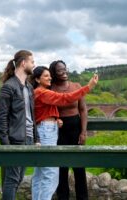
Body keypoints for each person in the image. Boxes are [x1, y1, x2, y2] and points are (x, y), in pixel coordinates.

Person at [30, 66, 98, 200]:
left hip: (46, 128)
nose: (49, 77)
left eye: (50, 75)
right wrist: (89, 86)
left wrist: (55, 119)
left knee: (39, 173)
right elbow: (66, 98)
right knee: (51, 174)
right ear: (37, 79)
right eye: (46, 76)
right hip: (46, 132)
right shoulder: (42, 92)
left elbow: (41, 112)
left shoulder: (39, 92)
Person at [0, 50, 39, 200]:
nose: (34, 65)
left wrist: (36, 138)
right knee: (12, 180)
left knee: (18, 179)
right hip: (15, 141)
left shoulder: (29, 87)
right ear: (23, 63)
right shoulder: (9, 87)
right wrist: (7, 145)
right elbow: (1, 119)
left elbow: (31, 115)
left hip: (28, 140)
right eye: (32, 62)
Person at [50, 60, 89, 200]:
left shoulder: (76, 86)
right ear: (54, 73)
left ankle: (83, 198)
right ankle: (63, 197)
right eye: (60, 70)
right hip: (59, 130)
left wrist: (83, 132)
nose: (64, 72)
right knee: (61, 167)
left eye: (65, 69)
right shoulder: (50, 88)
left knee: (79, 167)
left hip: (75, 127)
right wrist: (55, 120)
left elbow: (83, 110)